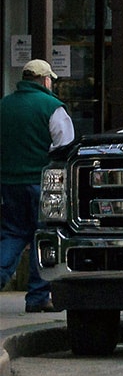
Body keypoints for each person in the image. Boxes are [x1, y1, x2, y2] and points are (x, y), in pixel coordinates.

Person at [1, 59, 75, 313]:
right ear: (45, 80)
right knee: (42, 235)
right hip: (42, 184)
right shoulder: (52, 107)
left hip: (9, 182)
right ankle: (38, 297)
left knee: (12, 233)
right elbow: (65, 146)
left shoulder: (4, 105)